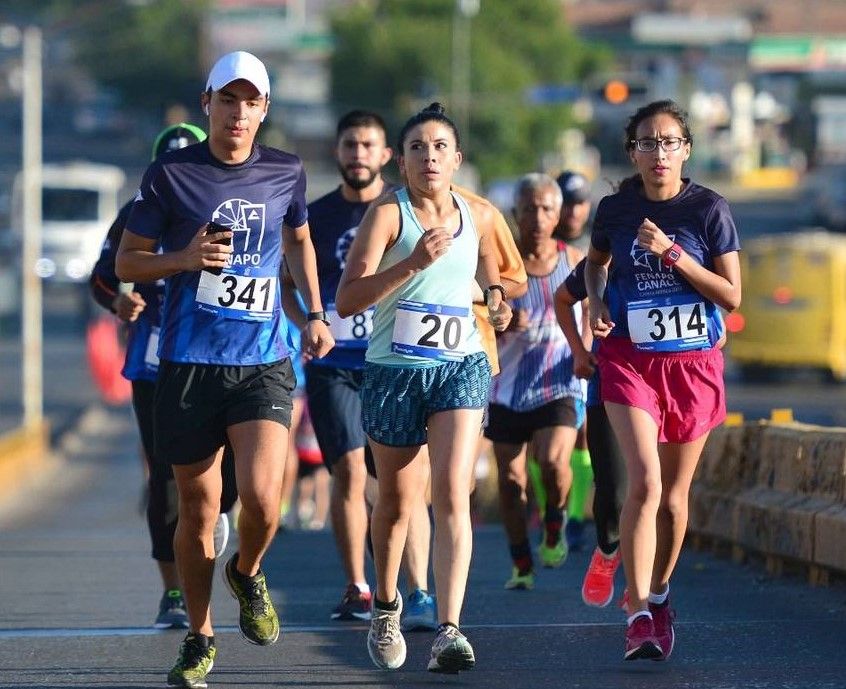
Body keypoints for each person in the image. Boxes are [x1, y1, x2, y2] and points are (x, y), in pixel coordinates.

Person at [115, 51, 334, 688]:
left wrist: (315, 312)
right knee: (199, 505)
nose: (239, 113)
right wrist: (182, 259)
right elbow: (128, 262)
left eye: (251, 102)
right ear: (207, 103)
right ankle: (200, 635)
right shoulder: (171, 174)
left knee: (264, 500)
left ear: (265, 110)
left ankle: (246, 571)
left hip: (262, 360)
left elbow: (298, 239)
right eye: (228, 99)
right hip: (188, 363)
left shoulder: (286, 170)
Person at [336, 102, 511, 673]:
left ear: (457, 159)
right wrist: (411, 263)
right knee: (395, 501)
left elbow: (491, 274)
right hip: (394, 371)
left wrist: (498, 302)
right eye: (417, 148)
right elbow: (348, 299)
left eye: (439, 148)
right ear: (402, 162)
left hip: (460, 365)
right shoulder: (388, 214)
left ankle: (449, 629)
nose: (429, 157)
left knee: (453, 490)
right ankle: (387, 606)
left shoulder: (477, 214)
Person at [584, 99, 741, 661]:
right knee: (645, 484)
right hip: (629, 358)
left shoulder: (709, 210)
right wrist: (596, 300)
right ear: (633, 153)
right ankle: (638, 616)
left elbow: (731, 295)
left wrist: (673, 254)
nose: (659, 153)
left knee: (673, 499)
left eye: (669, 142)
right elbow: (594, 264)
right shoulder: (615, 209)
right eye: (647, 143)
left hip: (692, 365)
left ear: (686, 150)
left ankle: (659, 593)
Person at [89, 123, 237, 630]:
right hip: (155, 359)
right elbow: (103, 275)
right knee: (164, 477)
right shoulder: (137, 212)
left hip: (223, 351)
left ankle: (222, 509)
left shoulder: (233, 202)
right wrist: (118, 301)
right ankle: (173, 592)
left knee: (233, 468)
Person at [485, 173, 585, 591]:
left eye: (546, 209)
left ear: (558, 215)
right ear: (516, 214)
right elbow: (474, 317)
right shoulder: (497, 266)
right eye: (529, 209)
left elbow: (594, 310)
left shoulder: (575, 261)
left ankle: (555, 520)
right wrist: (502, 323)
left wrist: (587, 351)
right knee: (511, 482)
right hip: (506, 386)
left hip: (558, 380)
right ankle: (521, 563)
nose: (538, 217)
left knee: (553, 462)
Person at [554, 257, 627, 607]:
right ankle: (608, 549)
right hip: (612, 380)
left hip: (667, 380)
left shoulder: (682, 246)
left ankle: (645, 589)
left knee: (659, 494)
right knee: (613, 491)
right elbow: (562, 298)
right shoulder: (607, 253)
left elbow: (719, 303)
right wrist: (579, 353)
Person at [553, 169, 595, 551]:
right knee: (546, 445)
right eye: (567, 203)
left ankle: (577, 515)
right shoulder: (537, 244)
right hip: (540, 354)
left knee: (583, 435)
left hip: (582, 350)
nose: (573, 212)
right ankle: (551, 508)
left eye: (580, 203)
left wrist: (585, 347)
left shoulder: (596, 245)